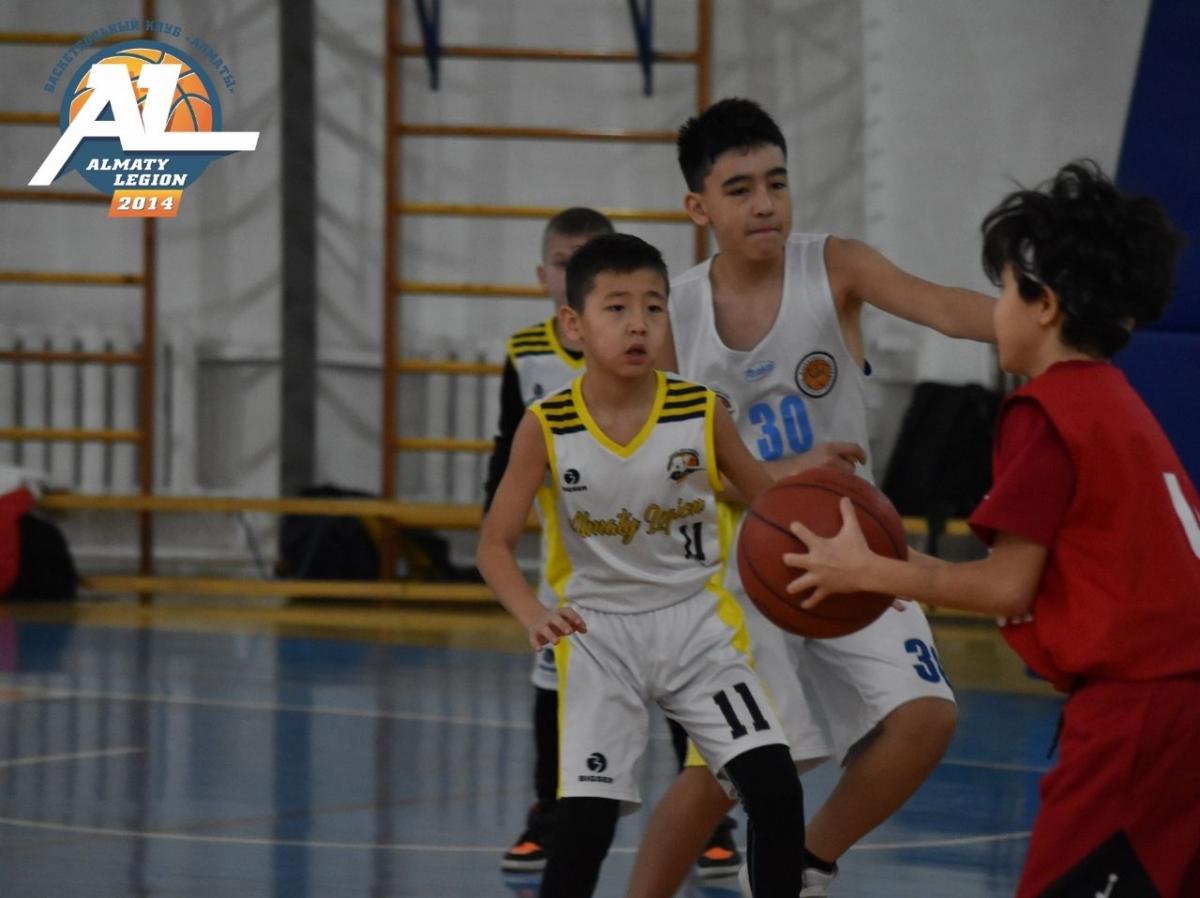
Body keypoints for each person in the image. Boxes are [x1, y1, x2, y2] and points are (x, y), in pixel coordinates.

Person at [784, 160, 1200, 898]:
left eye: (1005, 290)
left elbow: (1006, 586)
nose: (995, 309)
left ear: (1045, 306)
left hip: (1142, 715)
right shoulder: (1116, 402)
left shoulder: (1047, 412)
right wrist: (893, 561)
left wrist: (867, 572)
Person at [628, 97, 995, 898]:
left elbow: (945, 308)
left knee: (927, 718)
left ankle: (807, 861)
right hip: (739, 561)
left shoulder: (835, 266)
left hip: (855, 543)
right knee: (744, 765)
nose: (765, 203)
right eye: (739, 189)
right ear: (698, 207)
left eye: (777, 182)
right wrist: (783, 474)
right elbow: (659, 471)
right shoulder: (672, 315)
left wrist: (1039, 327)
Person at [477, 233, 807, 898]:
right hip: (598, 635)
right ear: (574, 324)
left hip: (696, 627)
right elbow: (493, 545)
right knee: (584, 826)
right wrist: (533, 614)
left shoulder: (700, 410)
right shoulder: (547, 424)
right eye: (617, 307)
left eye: (654, 308)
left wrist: (859, 566)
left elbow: (772, 503)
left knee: (774, 786)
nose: (638, 324)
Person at [485, 206, 613, 873]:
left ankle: (713, 819)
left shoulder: (642, 346)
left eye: (589, 262)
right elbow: (506, 448)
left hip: (650, 547)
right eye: (564, 263)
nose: (574, 276)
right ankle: (548, 812)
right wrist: (493, 529)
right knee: (553, 682)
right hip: (569, 556)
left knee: (682, 688)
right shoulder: (526, 351)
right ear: (544, 275)